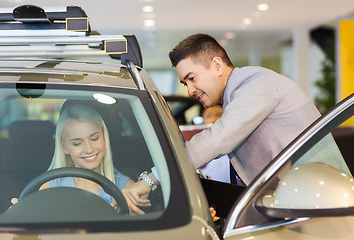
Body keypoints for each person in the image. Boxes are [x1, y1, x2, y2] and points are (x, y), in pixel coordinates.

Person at [125, 33, 351, 209]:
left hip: (322, 203)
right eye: (185, 84)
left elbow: (219, 138)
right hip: (297, 200)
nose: (191, 90)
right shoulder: (239, 95)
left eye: (192, 79)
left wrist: (152, 178)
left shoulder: (256, 83)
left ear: (216, 65)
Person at [21, 103, 149, 215]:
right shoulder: (49, 188)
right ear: (64, 147)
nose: (88, 149)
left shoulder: (127, 188)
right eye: (77, 143)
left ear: (105, 137)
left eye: (94, 138)